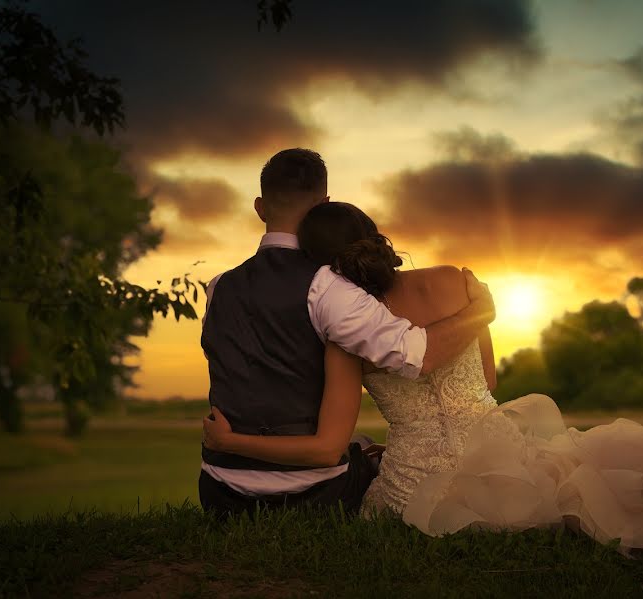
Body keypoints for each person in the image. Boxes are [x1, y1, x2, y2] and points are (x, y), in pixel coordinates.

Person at [203, 201, 643, 566]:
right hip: (503, 453)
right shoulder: (462, 281)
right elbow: (487, 377)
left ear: (325, 269)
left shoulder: (344, 335)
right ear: (375, 237)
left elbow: (336, 429)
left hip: (415, 482)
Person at [198, 149, 496, 518]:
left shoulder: (217, 287)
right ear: (322, 204)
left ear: (260, 207)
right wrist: (480, 313)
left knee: (363, 445)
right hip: (310, 494)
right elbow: (417, 354)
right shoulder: (329, 288)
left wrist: (228, 442)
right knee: (363, 450)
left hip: (220, 491)